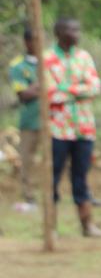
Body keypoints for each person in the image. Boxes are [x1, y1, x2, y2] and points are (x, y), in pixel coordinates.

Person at [44, 18, 101, 237]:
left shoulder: (84, 57)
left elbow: (94, 88)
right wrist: (79, 90)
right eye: (71, 29)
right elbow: (50, 94)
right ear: (59, 32)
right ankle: (50, 226)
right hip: (57, 129)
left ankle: (87, 225)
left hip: (84, 128)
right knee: (52, 176)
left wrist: (65, 89)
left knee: (81, 176)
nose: (76, 33)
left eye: (78, 29)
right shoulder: (47, 58)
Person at [9, 29, 41, 209]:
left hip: (54, 120)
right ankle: (29, 196)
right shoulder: (18, 65)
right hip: (30, 120)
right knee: (27, 160)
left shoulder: (48, 61)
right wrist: (41, 86)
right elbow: (23, 94)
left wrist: (34, 88)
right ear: (27, 42)